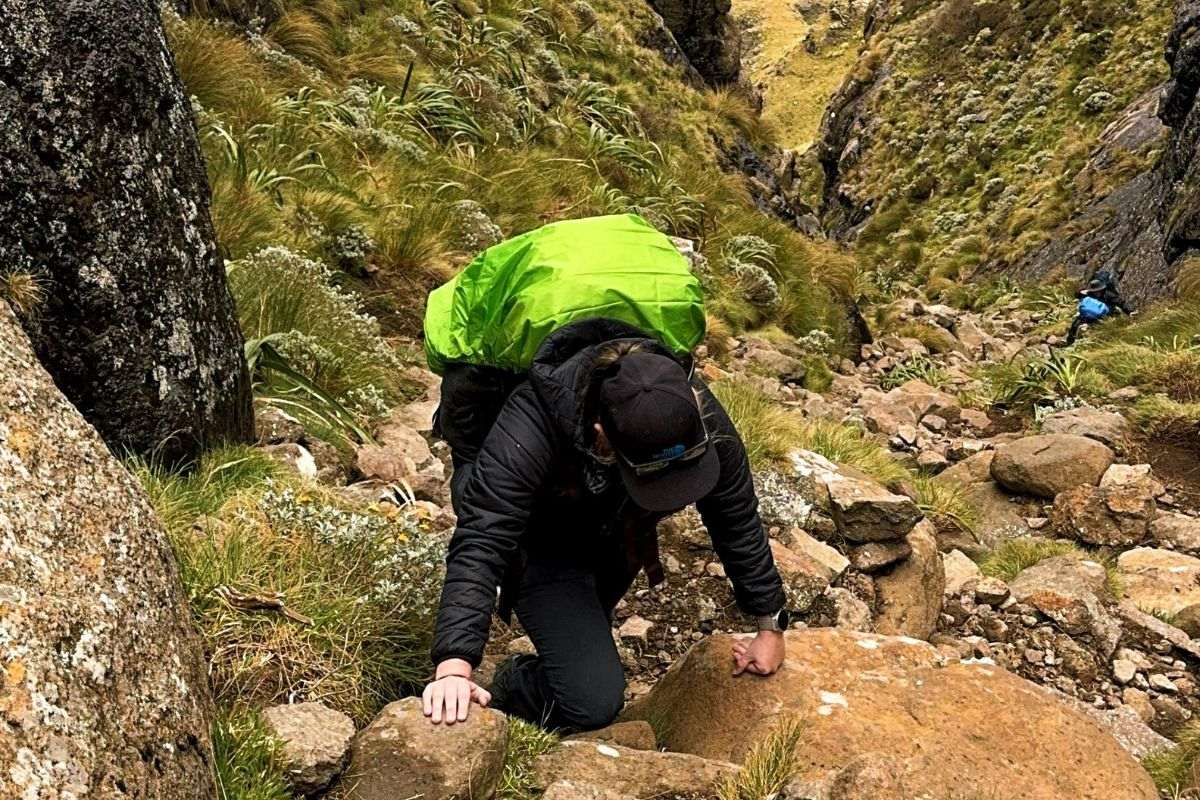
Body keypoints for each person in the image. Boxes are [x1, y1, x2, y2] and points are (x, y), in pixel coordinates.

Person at [421, 317, 789, 731]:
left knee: (585, 634)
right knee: (592, 704)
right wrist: (455, 665)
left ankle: (569, 648)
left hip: (618, 528)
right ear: (602, 433)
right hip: (538, 540)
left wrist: (769, 625)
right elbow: (483, 536)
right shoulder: (529, 424)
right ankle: (517, 680)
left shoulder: (691, 411)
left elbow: (735, 515)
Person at [1065, 270, 1134, 345]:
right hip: (1088, 314)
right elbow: (1077, 295)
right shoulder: (1089, 293)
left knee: (1093, 326)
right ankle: (1069, 341)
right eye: (1094, 291)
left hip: (1103, 315)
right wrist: (1080, 292)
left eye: (1098, 291)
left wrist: (1130, 311)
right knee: (1075, 324)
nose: (1096, 293)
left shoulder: (1108, 295)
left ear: (1102, 289)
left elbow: (1121, 302)